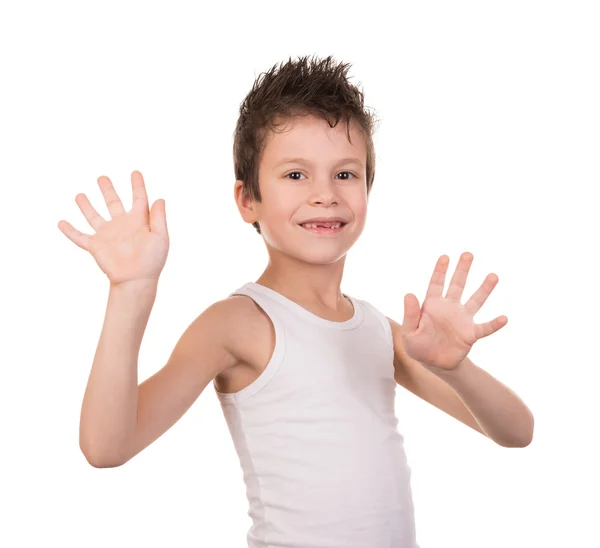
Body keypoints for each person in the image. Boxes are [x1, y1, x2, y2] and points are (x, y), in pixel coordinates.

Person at [57, 54, 534, 548]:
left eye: (345, 175)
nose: (325, 194)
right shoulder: (237, 323)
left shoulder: (379, 330)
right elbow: (105, 446)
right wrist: (130, 292)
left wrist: (456, 369)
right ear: (248, 200)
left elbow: (516, 431)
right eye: (296, 175)